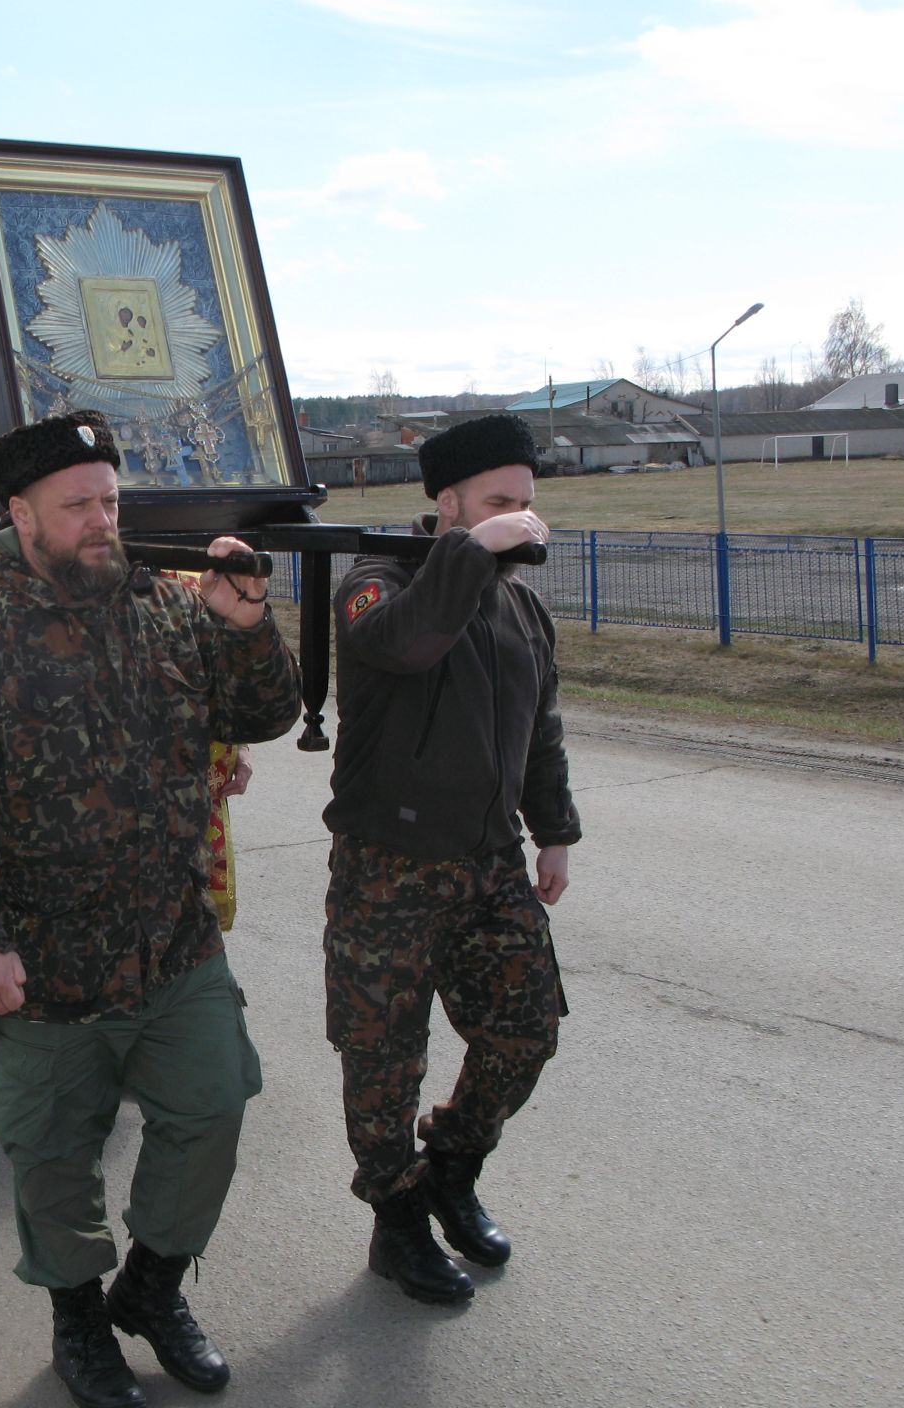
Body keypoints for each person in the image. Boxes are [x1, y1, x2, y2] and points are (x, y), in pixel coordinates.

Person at [0, 411, 302, 1408]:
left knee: (210, 1110)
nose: (99, 520)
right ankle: (78, 1319)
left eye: (109, 501)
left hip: (173, 942)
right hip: (43, 968)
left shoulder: (163, 609)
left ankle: (152, 1289)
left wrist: (246, 624)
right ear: (21, 514)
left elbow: (262, 715)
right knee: (55, 1159)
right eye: (76, 504)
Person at [322, 412, 579, 1308]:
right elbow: (405, 642)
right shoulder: (376, 584)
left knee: (527, 1027)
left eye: (528, 505)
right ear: (449, 504)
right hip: (388, 867)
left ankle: (451, 1170)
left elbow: (538, 728)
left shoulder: (518, 602)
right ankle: (395, 1221)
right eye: (500, 505)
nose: (523, 522)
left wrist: (555, 831)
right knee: (382, 1056)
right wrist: (475, 554)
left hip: (488, 863)